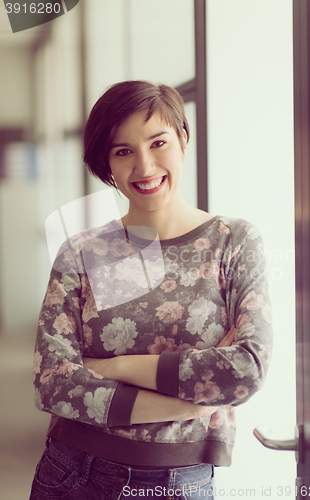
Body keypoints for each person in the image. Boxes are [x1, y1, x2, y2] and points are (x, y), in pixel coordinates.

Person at [30, 80, 273, 500]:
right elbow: (53, 383)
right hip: (74, 474)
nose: (144, 167)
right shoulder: (82, 252)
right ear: (106, 162)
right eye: (123, 151)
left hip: (183, 485)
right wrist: (190, 405)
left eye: (157, 142)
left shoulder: (233, 241)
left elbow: (245, 370)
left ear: (182, 138)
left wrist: (112, 367)